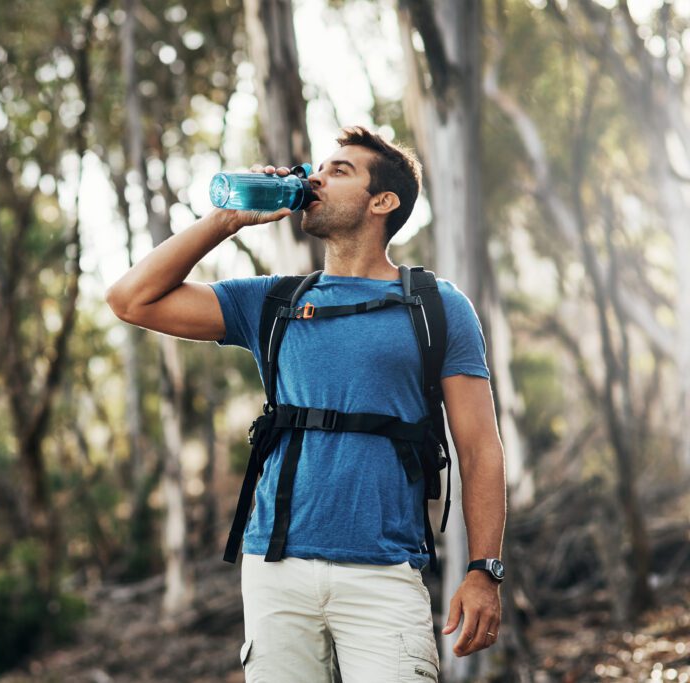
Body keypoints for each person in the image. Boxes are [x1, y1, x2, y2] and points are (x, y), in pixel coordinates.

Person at [105, 125, 506, 682]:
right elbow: (130, 299)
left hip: (385, 571)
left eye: (339, 170)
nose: (314, 177)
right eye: (317, 167)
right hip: (274, 570)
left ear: (382, 202)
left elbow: (481, 447)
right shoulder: (271, 302)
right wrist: (225, 219)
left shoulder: (436, 307)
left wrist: (484, 569)